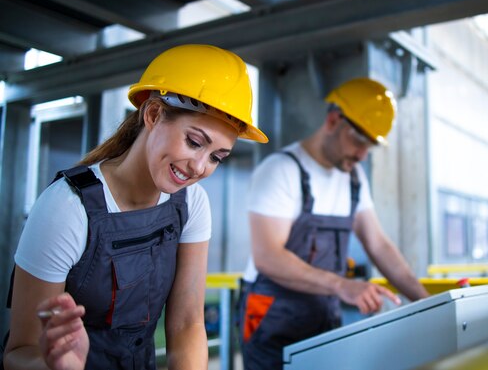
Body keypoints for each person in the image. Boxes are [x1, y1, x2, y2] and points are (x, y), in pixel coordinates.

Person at [2, 44, 268, 370]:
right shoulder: (66, 208)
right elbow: (18, 352)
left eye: (216, 157)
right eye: (195, 142)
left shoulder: (191, 203)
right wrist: (56, 364)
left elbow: (187, 324)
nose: (200, 167)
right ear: (153, 114)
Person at [238, 77, 430, 370]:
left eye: (371, 146)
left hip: (322, 310)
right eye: (358, 141)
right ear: (333, 121)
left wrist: (427, 304)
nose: (362, 155)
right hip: (269, 313)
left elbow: (378, 244)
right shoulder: (280, 171)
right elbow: (267, 257)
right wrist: (342, 285)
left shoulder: (353, 178)